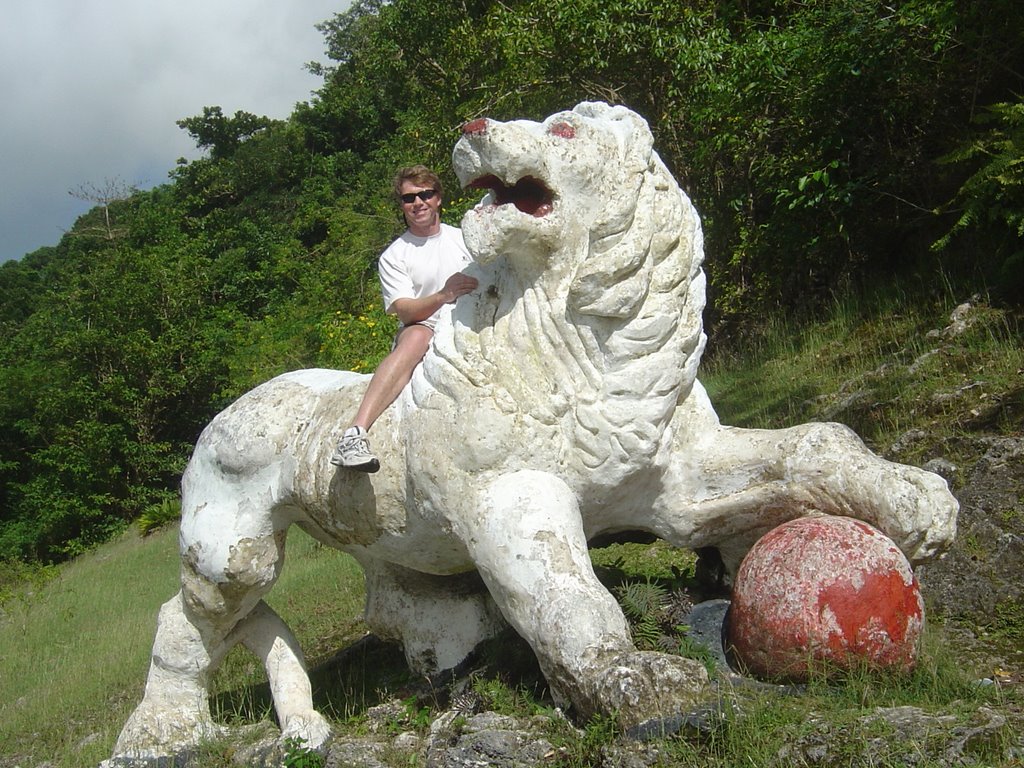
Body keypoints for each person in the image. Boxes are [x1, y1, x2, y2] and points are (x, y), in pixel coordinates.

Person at [330, 165, 478, 472]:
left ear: (438, 198)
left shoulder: (466, 238)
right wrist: (443, 295)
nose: (418, 203)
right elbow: (405, 310)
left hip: (474, 325)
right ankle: (355, 434)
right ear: (401, 205)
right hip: (426, 327)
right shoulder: (395, 256)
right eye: (409, 198)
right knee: (417, 336)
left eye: (426, 194)